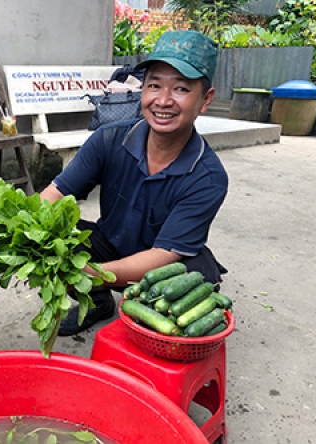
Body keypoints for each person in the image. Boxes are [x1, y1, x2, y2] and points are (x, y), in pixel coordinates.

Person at [39, 30, 229, 336]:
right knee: (52, 244)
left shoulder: (208, 177)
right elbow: (54, 193)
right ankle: (99, 303)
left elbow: (164, 256)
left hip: (165, 263)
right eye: (154, 85)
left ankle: (145, 318)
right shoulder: (109, 139)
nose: (163, 101)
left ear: (205, 100)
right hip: (111, 243)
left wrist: (91, 274)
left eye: (181, 89)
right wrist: (23, 235)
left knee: (192, 288)